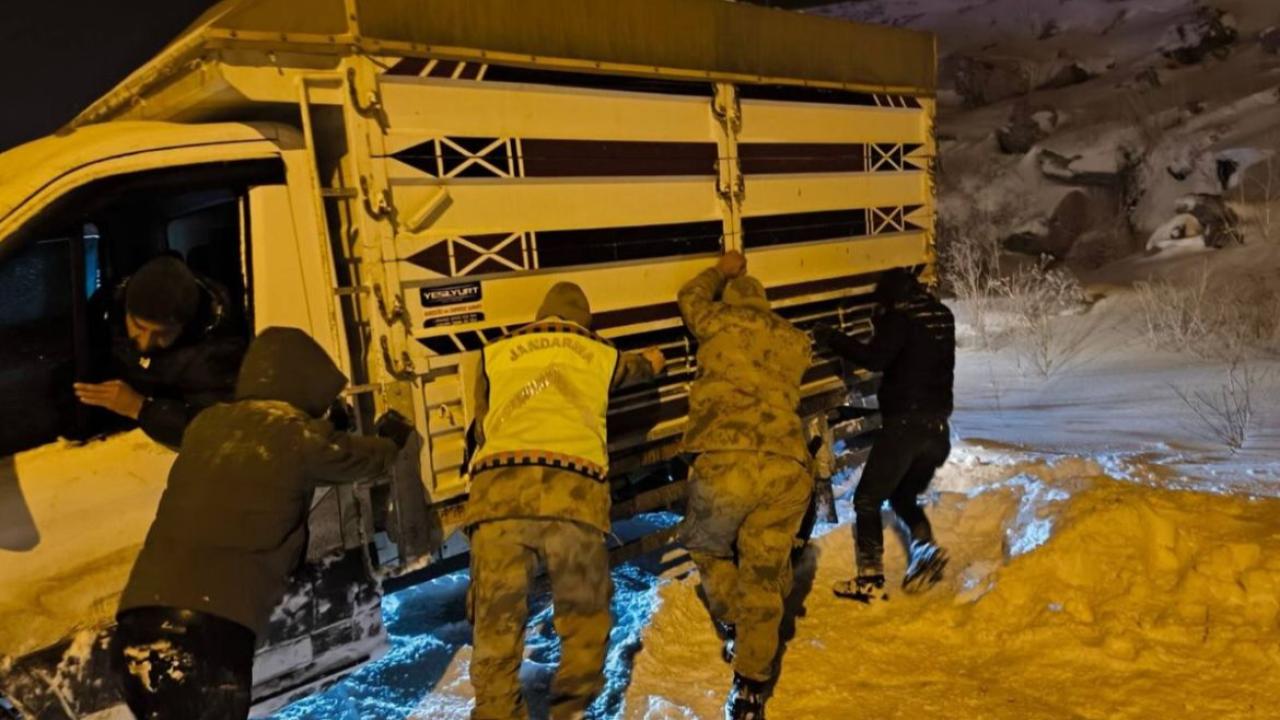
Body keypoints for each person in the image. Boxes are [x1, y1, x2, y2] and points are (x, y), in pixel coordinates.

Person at [113, 327, 409, 720]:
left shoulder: (207, 424)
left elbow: (263, 462)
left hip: (136, 627)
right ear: (301, 386)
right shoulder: (295, 435)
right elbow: (357, 459)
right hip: (207, 636)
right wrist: (391, 440)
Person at [464, 282, 665, 720]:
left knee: (496, 624)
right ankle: (569, 709)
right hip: (572, 496)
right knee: (584, 617)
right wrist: (654, 361)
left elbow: (481, 425)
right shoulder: (598, 351)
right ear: (584, 321)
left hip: (498, 498)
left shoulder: (494, 352)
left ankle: (496, 711)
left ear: (541, 315)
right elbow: (639, 368)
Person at [676, 251, 812, 720]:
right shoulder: (795, 340)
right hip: (786, 466)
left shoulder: (717, 320)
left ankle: (734, 620)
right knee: (763, 574)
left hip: (725, 459)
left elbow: (688, 297)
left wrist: (720, 271)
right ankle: (751, 687)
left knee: (707, 547)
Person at [812, 267, 955, 603]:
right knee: (902, 495)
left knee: (866, 500)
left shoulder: (901, 318)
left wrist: (832, 337)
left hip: (906, 426)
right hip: (938, 428)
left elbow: (875, 358)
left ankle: (870, 579)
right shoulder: (941, 317)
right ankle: (925, 549)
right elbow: (913, 351)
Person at [75, 255, 247, 448]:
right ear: (126, 312)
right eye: (139, 327)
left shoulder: (215, 355)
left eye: (162, 334)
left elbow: (215, 432)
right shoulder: (106, 311)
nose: (146, 342)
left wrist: (140, 408)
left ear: (184, 327)